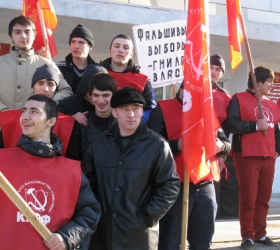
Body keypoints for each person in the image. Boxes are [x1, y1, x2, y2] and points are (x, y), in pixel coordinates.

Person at [82, 87, 180, 249]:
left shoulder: (157, 144)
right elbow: (86, 184)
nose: (131, 114)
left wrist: (147, 217)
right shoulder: (98, 144)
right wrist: (94, 215)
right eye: (124, 109)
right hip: (103, 233)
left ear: (142, 112)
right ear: (114, 113)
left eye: (136, 109)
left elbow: (169, 186)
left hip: (140, 234)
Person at [0, 94, 101, 250]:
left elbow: (90, 212)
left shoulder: (71, 170)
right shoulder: (2, 161)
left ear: (51, 121)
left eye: (34, 112)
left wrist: (67, 236)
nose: (25, 117)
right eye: (24, 111)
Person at [147, 83, 231, 250]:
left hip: (204, 180)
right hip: (174, 182)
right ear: (180, 90)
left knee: (203, 237)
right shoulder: (162, 109)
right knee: (171, 239)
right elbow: (151, 144)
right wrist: (176, 145)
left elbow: (226, 143)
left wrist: (220, 147)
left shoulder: (208, 110)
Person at [226, 66, 280, 249]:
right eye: (269, 82)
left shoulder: (271, 104)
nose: (271, 85)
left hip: (268, 157)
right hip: (246, 156)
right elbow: (231, 124)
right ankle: (247, 236)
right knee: (248, 198)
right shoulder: (238, 99)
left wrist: (277, 152)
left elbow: (276, 131)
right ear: (258, 82)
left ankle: (260, 233)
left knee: (263, 198)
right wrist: (255, 126)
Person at [0, 15, 72, 111]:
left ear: (34, 35)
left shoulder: (47, 64)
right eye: (17, 32)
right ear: (11, 36)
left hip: (36, 123)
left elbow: (66, 90)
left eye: (27, 32)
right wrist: (2, 109)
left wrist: (47, 104)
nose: (23, 36)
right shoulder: (1, 62)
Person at [0, 64, 75, 156]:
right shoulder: (8, 119)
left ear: (56, 90)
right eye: (40, 83)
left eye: (50, 84)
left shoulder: (68, 123)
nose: (45, 89)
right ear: (33, 87)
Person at [100, 33, 156, 122]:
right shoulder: (97, 75)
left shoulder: (143, 80)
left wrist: (132, 122)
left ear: (131, 54)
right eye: (117, 46)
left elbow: (150, 109)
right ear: (109, 51)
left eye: (125, 48)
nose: (121, 50)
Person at [66, 73, 117, 160]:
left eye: (106, 95)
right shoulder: (80, 123)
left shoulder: (123, 122)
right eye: (96, 95)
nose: (100, 100)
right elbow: (73, 159)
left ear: (114, 95)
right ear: (90, 96)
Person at [57, 24, 97, 94]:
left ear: (90, 47)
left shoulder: (97, 71)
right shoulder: (57, 68)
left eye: (81, 42)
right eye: (73, 42)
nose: (76, 46)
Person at [210, 54, 231, 136]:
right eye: (210, 67)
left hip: (215, 139)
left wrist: (222, 142)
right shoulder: (193, 89)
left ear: (222, 74)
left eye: (218, 69)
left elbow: (226, 125)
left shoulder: (225, 96)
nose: (213, 72)